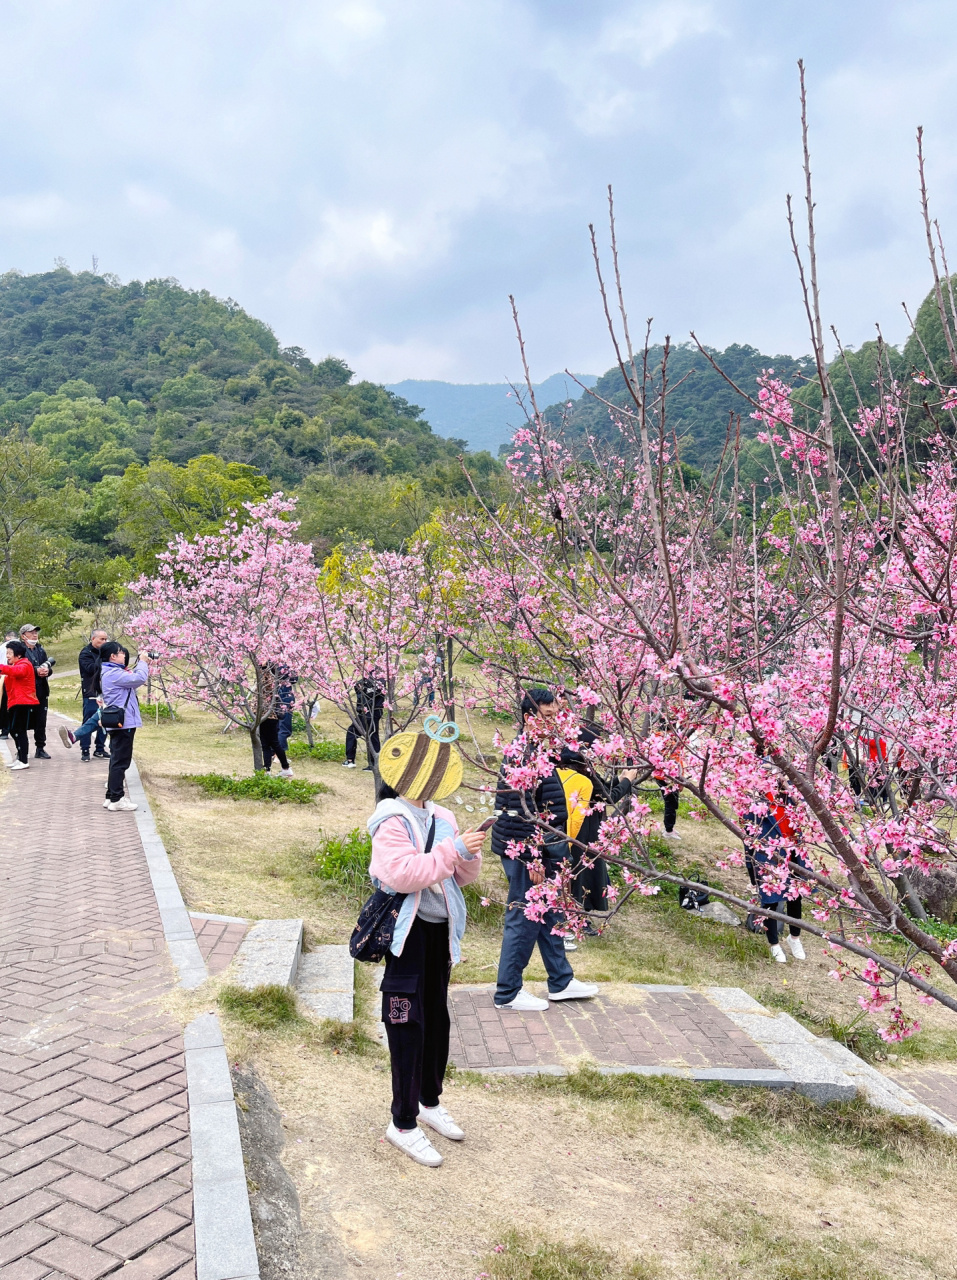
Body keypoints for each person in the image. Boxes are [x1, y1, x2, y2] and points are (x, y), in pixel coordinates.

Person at [368, 718, 487, 1168]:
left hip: (440, 932)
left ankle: (429, 1101)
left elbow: (460, 878)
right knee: (406, 1021)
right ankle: (402, 1122)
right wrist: (450, 852)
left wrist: (468, 854)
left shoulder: (443, 816)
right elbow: (400, 874)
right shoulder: (391, 819)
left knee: (436, 1019)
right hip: (406, 934)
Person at [491, 688, 599, 1011]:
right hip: (526, 850)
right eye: (547, 717)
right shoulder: (521, 755)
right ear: (529, 718)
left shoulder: (540, 749)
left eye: (556, 716)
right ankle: (508, 992)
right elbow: (517, 809)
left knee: (548, 911)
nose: (553, 723)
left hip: (542, 848)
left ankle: (561, 981)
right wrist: (532, 855)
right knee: (524, 917)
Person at [541, 729, 637, 929]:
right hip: (581, 830)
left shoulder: (559, 770)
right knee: (581, 873)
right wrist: (628, 780)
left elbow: (601, 792)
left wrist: (619, 780)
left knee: (575, 873)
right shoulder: (584, 776)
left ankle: (574, 916)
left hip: (565, 827)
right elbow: (608, 798)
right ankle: (577, 919)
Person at [744, 786, 807, 963]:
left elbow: (805, 816)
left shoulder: (791, 792)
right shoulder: (757, 796)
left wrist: (791, 792)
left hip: (794, 850)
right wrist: (751, 869)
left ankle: (795, 937)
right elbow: (748, 836)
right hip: (769, 852)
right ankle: (774, 944)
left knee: (795, 896)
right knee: (770, 899)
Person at [98, 642, 149, 812]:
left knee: (116, 760)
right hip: (123, 723)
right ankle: (117, 799)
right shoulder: (113, 673)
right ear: (113, 656)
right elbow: (139, 678)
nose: (124, 656)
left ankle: (111, 796)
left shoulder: (110, 671)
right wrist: (142, 662)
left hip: (119, 722)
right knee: (121, 761)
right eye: (121, 653)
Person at [65, 628, 109, 760]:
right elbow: (90, 669)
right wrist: (102, 657)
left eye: (106, 639)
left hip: (105, 692)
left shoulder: (106, 653)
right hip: (91, 692)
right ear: (93, 639)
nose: (104, 642)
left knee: (105, 719)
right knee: (89, 720)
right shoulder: (85, 653)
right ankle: (85, 750)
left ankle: (100, 749)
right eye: (101, 639)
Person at [0, 639, 39, 770]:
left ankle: (23, 760)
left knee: (19, 731)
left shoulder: (25, 664)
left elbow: (17, 672)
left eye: (9, 653)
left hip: (23, 702)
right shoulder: (14, 665)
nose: (7, 656)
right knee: (13, 730)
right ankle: (19, 757)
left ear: (18, 655)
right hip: (15, 702)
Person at [19, 624, 54, 758]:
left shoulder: (40, 650)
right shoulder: (20, 650)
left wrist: (47, 671)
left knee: (41, 720)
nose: (35, 635)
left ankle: (40, 748)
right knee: (24, 721)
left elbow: (48, 666)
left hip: (41, 690)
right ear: (23, 636)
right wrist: (35, 670)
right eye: (31, 632)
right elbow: (18, 668)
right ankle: (21, 749)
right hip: (26, 691)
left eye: (36, 632)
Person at [344, 675, 384, 770]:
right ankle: (374, 763)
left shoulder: (378, 681)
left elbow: (371, 694)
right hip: (371, 711)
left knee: (353, 732)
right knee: (372, 736)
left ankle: (351, 760)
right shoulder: (367, 681)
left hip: (369, 712)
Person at [259, 666, 293, 777]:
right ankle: (279, 768)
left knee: (268, 743)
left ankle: (273, 769)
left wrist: (264, 666)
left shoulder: (268, 678)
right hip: (271, 713)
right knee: (271, 742)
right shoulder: (274, 679)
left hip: (267, 713)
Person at [0, 630, 17, 740]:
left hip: (4, 676)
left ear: (7, 637)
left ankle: (5, 730)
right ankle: (13, 728)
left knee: (3, 703)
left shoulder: (3, 646)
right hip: (16, 676)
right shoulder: (21, 646)